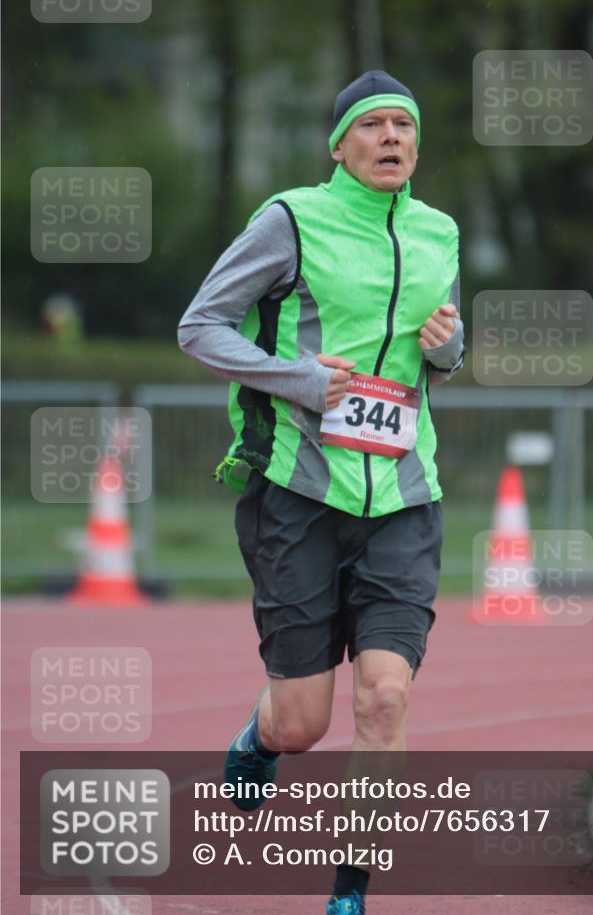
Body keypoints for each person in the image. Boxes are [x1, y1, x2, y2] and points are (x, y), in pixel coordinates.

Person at [178, 69, 465, 914]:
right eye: (370, 126)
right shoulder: (290, 219)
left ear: (417, 145)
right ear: (337, 145)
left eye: (402, 127)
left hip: (404, 500)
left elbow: (437, 356)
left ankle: (349, 892)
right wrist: (298, 378)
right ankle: (257, 737)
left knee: (386, 696)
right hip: (298, 494)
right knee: (302, 723)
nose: (389, 139)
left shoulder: (438, 231)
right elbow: (202, 326)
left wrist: (446, 350)